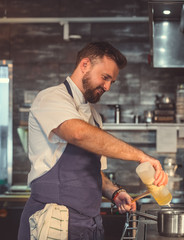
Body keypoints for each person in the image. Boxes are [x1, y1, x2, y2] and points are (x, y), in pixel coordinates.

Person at [18, 41, 168, 240]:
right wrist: (141, 157)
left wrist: (115, 193)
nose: (107, 87)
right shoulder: (50, 98)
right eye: (105, 78)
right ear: (85, 65)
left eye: (111, 82)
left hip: (88, 225)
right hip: (53, 223)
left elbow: (93, 172)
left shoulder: (94, 117)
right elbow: (78, 133)